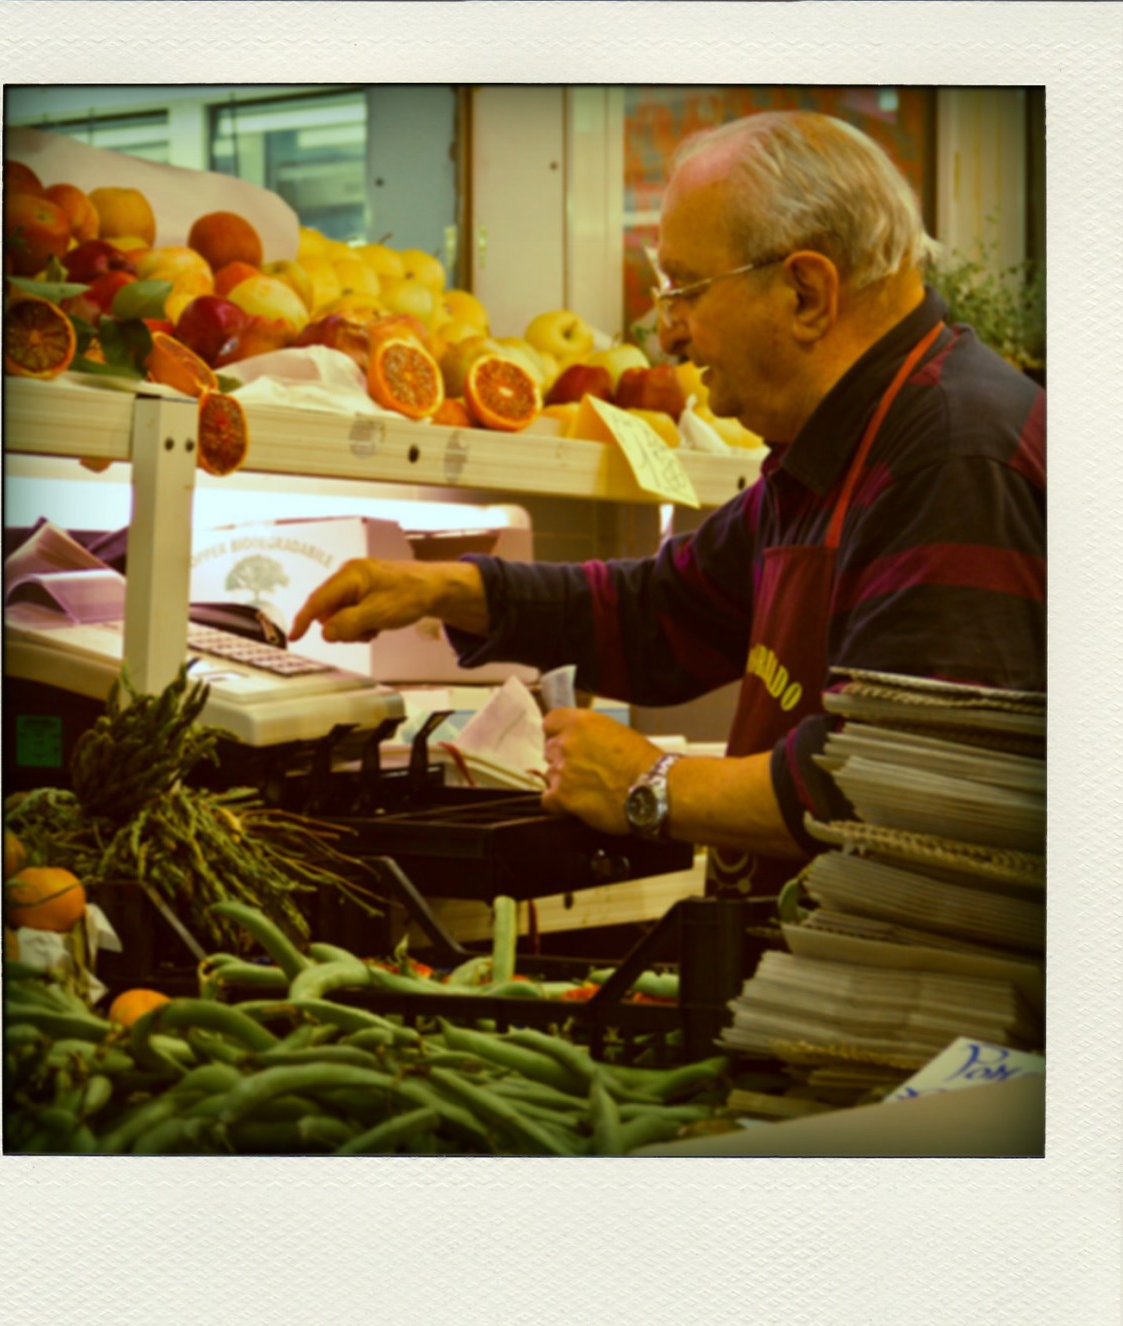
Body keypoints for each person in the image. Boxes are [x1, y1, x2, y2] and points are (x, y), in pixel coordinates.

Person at [290, 110, 1046, 896]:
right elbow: (666, 611)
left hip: (914, 1008)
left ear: (806, 292)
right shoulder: (844, 439)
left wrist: (651, 783)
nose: (667, 333)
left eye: (685, 289)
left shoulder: (951, 459)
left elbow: (893, 783)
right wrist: (452, 590)